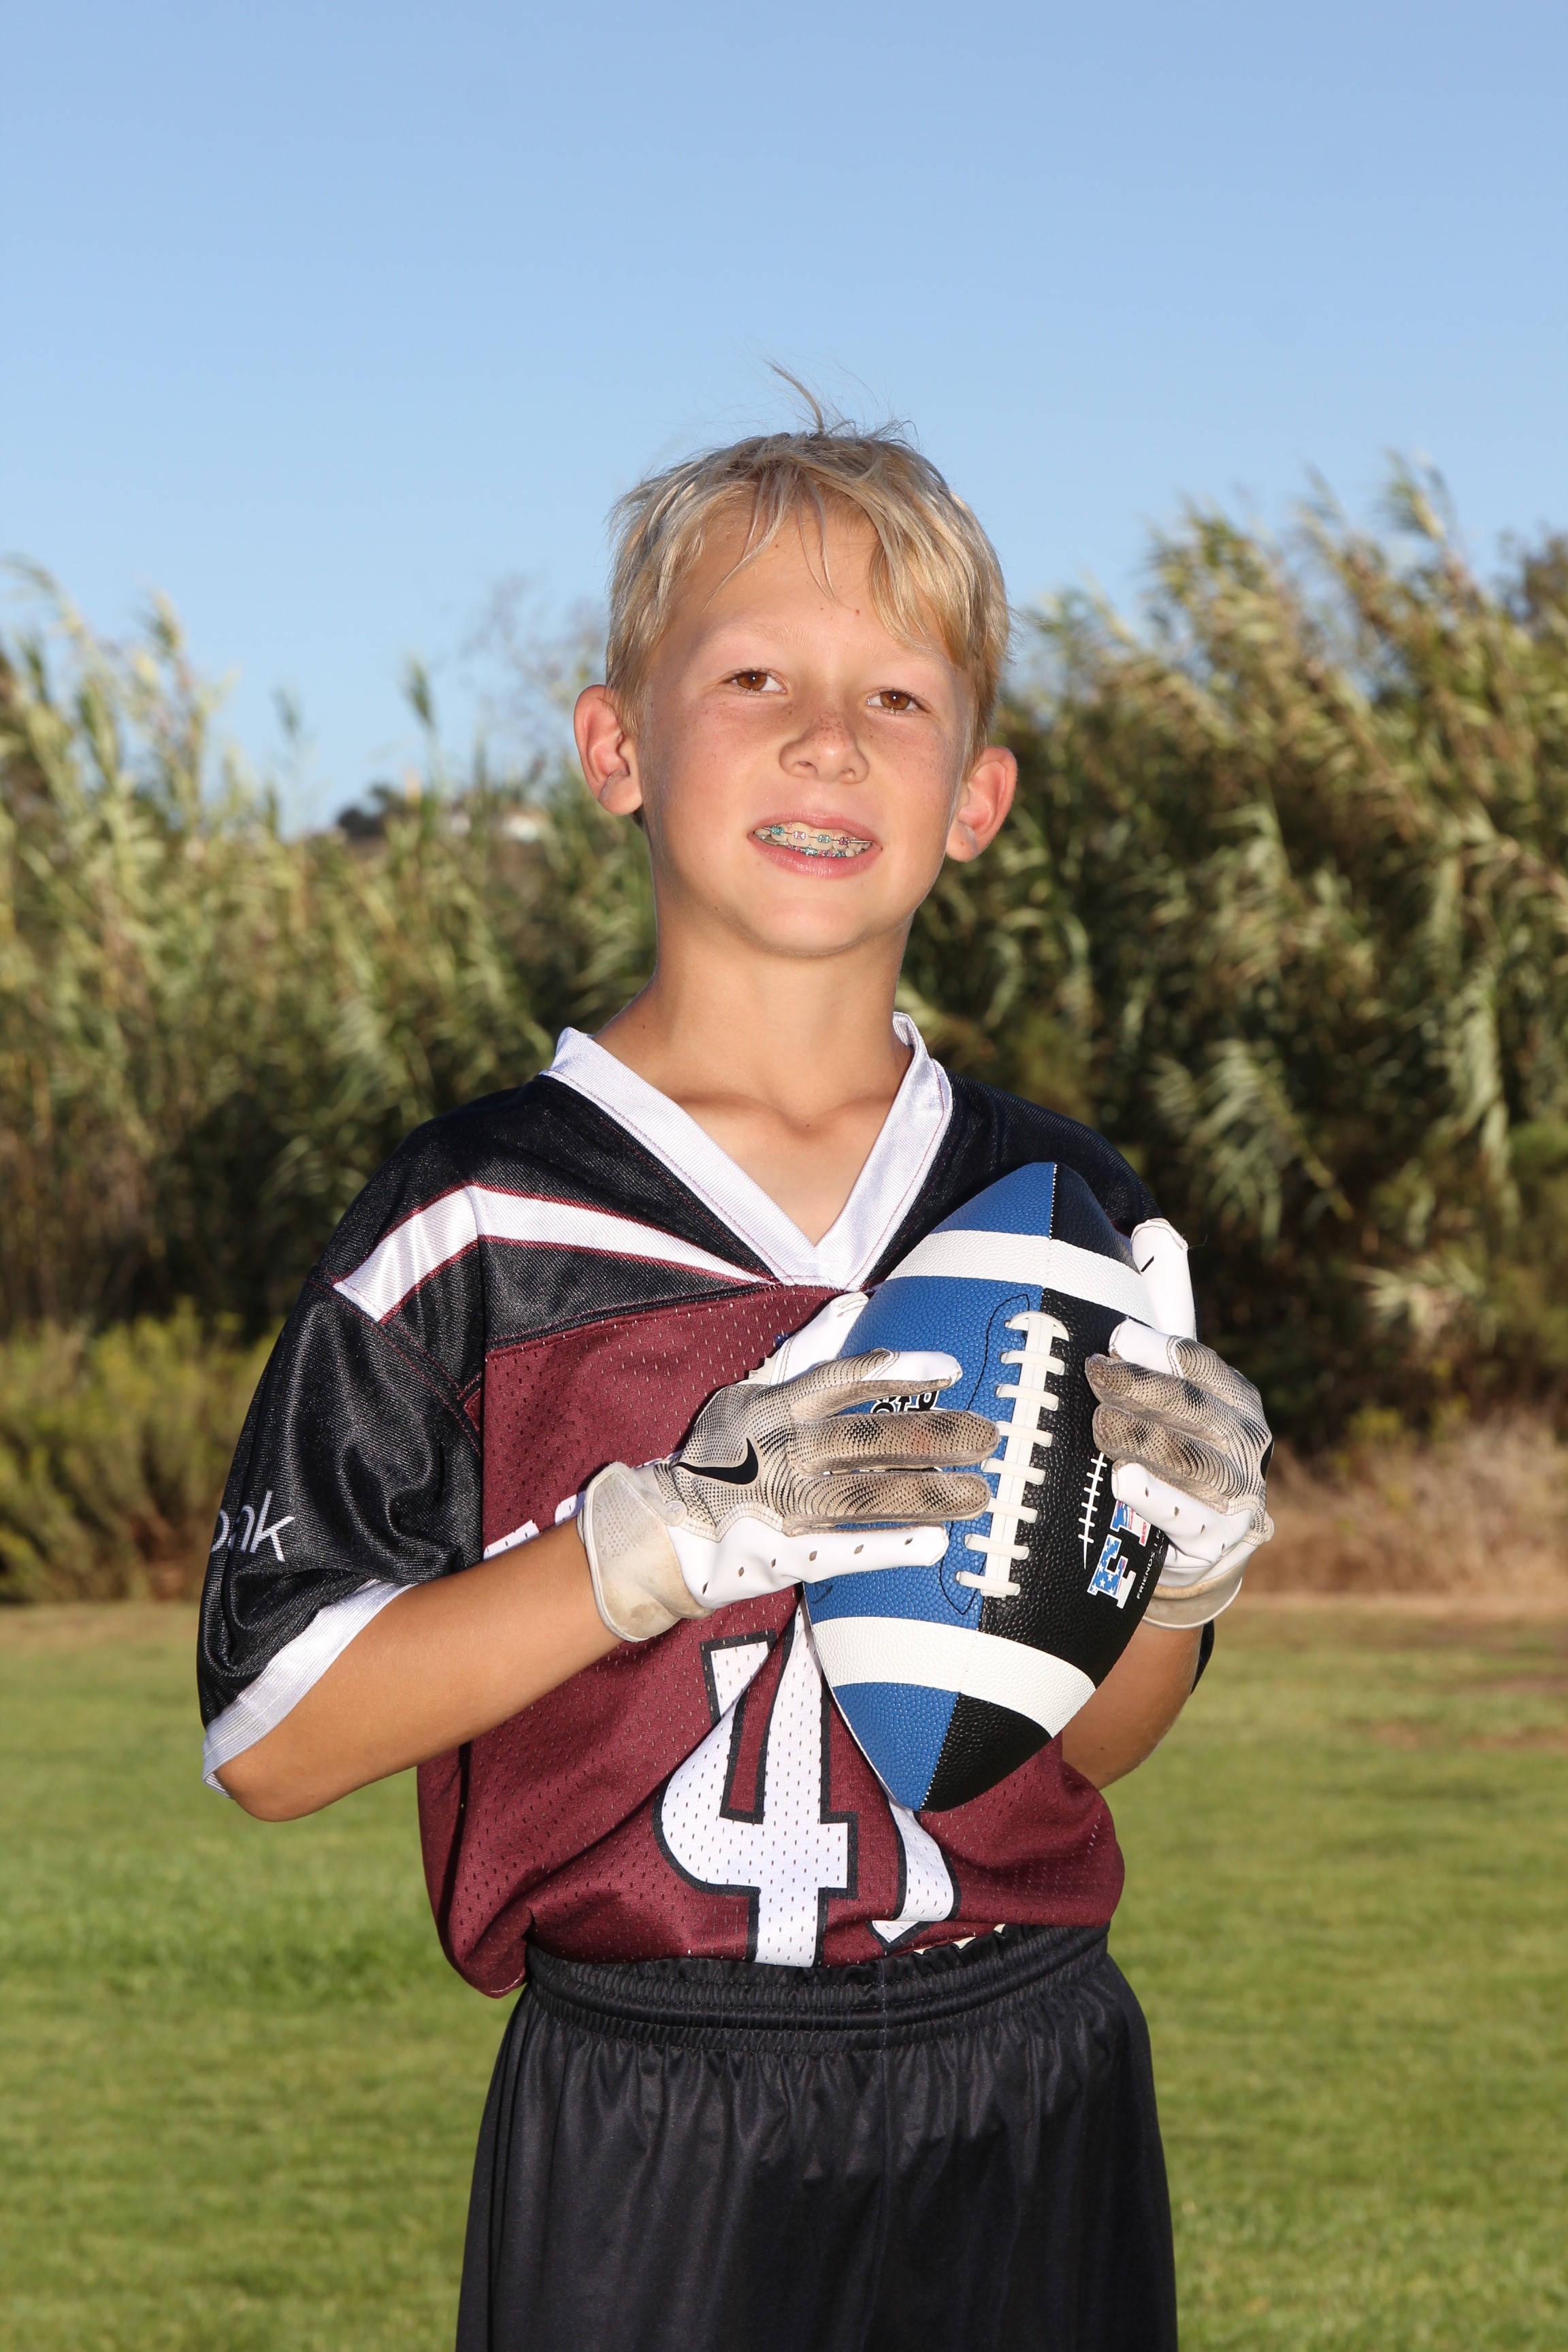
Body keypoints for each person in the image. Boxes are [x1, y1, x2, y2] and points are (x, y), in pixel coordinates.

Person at [199, 409, 1273, 2351]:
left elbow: (1089, 1743)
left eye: (896, 697)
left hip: (1027, 2065)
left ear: (979, 795)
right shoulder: (477, 1216)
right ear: (615, 745)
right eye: (757, 679)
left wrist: (1180, 1585)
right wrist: (662, 1545)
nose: (829, 741)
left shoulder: (1058, 1206)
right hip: (651, 2103)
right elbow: (274, 1733)